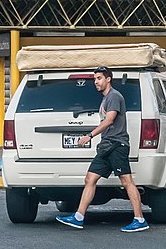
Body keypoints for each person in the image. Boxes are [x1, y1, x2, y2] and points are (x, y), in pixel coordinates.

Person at [57, 67, 148, 233]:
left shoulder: (114, 96)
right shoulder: (106, 98)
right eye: (95, 79)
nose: (96, 82)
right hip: (107, 146)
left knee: (127, 182)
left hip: (117, 145)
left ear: (108, 79)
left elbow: (109, 121)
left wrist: (89, 136)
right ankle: (78, 217)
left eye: (99, 78)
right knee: (89, 179)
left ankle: (139, 219)